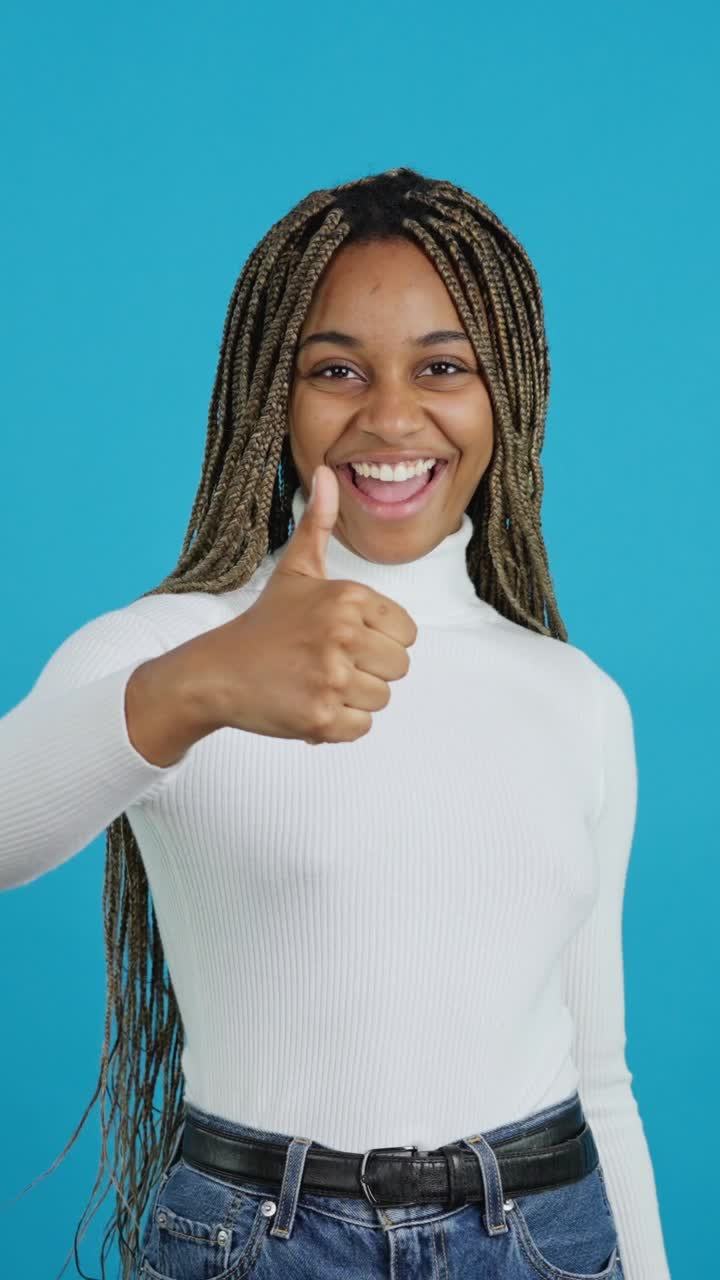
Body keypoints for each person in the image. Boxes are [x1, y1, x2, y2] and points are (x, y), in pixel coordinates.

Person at [0, 168, 671, 1280]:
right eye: (337, 369)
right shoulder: (167, 647)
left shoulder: (578, 697)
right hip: (260, 1241)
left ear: (509, 391)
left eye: (444, 366)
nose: (393, 415)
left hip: (545, 1232)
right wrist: (202, 683)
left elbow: (599, 1073)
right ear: (274, 391)